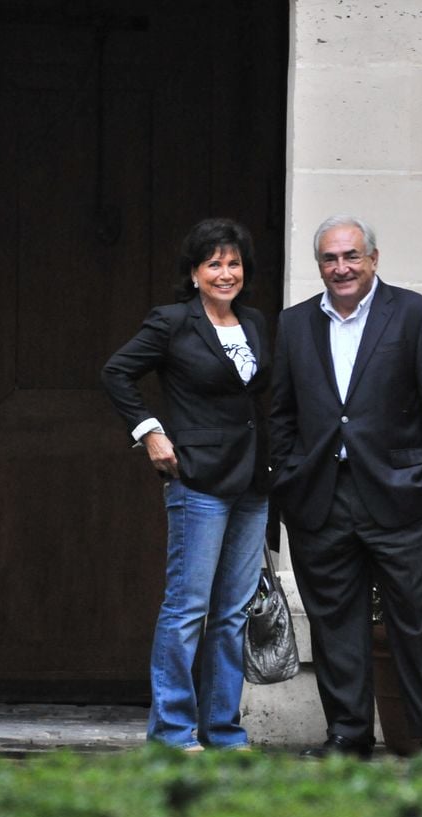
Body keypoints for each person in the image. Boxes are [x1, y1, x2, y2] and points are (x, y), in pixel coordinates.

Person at [270, 215, 422, 759]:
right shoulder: (294, 324)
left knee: (421, 622)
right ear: (319, 266)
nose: (341, 268)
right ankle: (347, 735)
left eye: (351, 256)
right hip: (321, 498)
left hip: (404, 497)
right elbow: (281, 413)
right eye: (330, 259)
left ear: (374, 259)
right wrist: (288, 476)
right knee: (334, 626)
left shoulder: (417, 315)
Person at [101, 218, 270, 752]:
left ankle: (223, 731)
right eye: (214, 263)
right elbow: (116, 373)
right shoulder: (172, 323)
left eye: (234, 262)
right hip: (197, 480)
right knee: (187, 609)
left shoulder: (257, 323)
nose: (226, 273)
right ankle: (174, 732)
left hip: (253, 483)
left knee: (233, 614)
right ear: (194, 273)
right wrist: (150, 433)